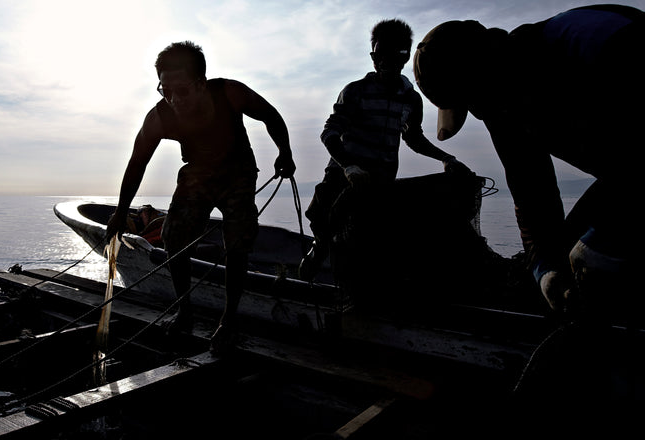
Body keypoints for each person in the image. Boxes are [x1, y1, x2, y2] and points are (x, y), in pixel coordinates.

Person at [412, 4, 645, 317]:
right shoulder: (504, 107)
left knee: (597, 254)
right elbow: (532, 197)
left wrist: (606, 240)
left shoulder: (588, 42)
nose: (479, 111)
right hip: (629, 176)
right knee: (566, 258)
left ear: (478, 78)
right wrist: (545, 272)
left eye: (470, 101)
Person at [106, 41, 296, 354]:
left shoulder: (230, 93)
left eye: (180, 90)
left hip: (238, 170)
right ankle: (185, 310)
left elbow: (270, 115)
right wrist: (121, 211)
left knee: (237, 243)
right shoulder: (160, 117)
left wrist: (285, 152)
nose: (172, 99)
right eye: (164, 89)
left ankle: (229, 319)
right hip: (197, 172)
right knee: (174, 237)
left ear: (200, 83)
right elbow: (137, 161)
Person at [299, 18, 472, 283]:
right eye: (378, 54)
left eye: (394, 54)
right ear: (373, 56)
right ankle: (318, 251)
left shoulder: (411, 99)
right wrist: (349, 166)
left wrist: (447, 159)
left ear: (404, 57)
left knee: (372, 240)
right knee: (326, 225)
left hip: (380, 181)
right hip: (344, 175)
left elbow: (413, 138)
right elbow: (330, 133)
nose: (384, 61)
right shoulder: (356, 91)